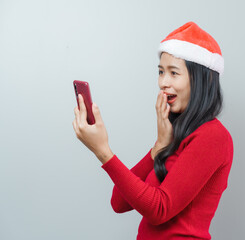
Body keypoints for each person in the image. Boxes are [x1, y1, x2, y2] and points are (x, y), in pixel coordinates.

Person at [72, 21, 233, 240]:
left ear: (201, 80)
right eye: (160, 72)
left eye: (174, 73)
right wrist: (158, 148)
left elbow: (159, 209)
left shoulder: (213, 136)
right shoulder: (174, 134)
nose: (163, 82)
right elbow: (118, 203)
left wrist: (103, 152)